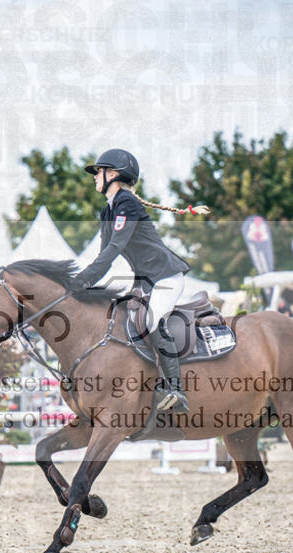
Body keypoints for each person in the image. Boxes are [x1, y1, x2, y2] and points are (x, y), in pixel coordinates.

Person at [76, 148, 208, 414]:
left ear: (112, 174)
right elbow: (104, 255)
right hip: (147, 281)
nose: (94, 178)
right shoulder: (108, 212)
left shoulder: (128, 204)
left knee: (152, 321)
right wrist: (83, 283)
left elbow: (115, 249)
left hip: (166, 277)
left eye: (97, 173)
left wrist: (81, 280)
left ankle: (175, 390)